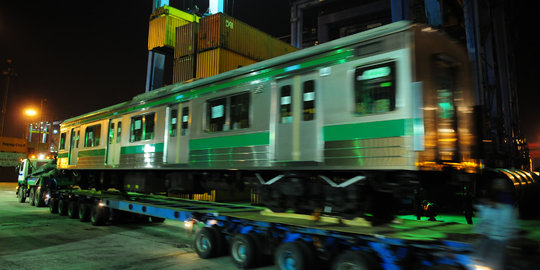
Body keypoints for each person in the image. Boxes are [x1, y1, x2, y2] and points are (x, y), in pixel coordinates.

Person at [473, 178, 518, 270]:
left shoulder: (507, 202)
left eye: (500, 183)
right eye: (496, 183)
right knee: (481, 259)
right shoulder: (493, 196)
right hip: (491, 236)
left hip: (499, 238)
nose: (497, 185)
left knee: (493, 261)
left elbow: (507, 221)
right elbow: (484, 218)